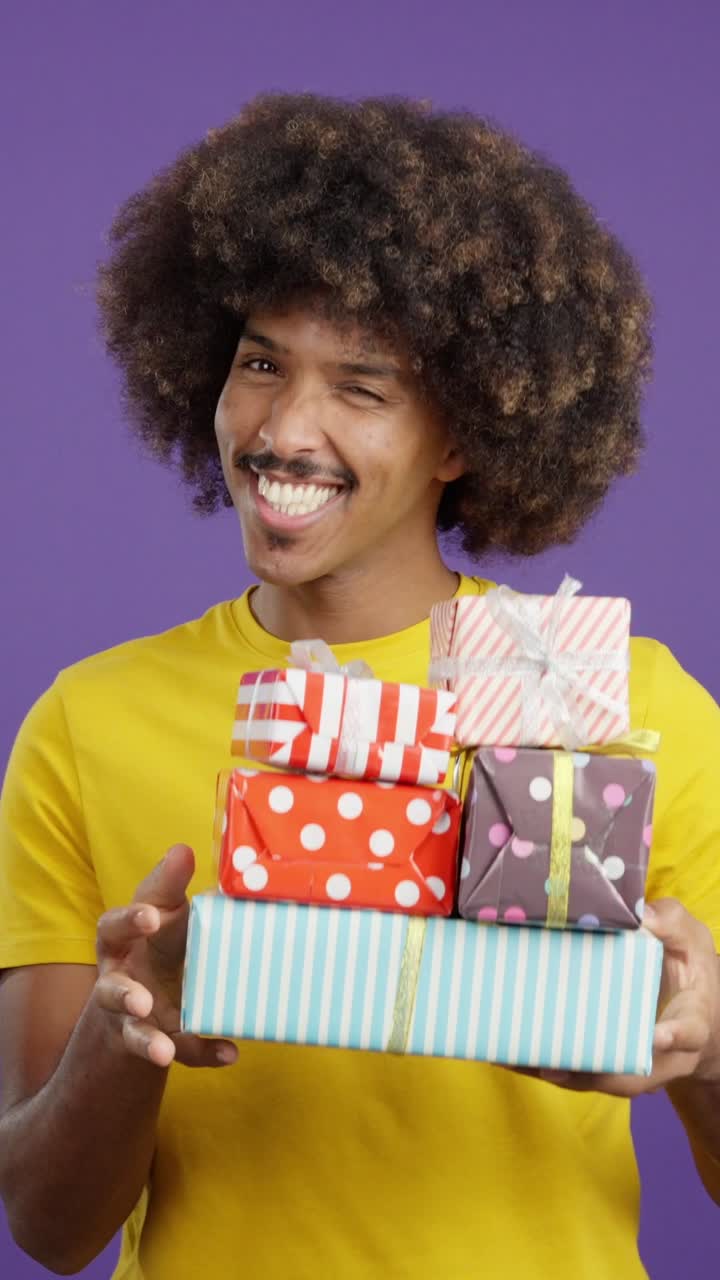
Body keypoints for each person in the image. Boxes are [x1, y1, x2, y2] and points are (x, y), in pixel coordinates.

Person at [0, 91, 718, 1280]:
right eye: (261, 363)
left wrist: (705, 1049)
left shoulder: (621, 707)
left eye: (362, 386)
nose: (284, 427)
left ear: (465, 434)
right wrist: (128, 1035)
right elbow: (46, 1224)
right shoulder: (88, 718)